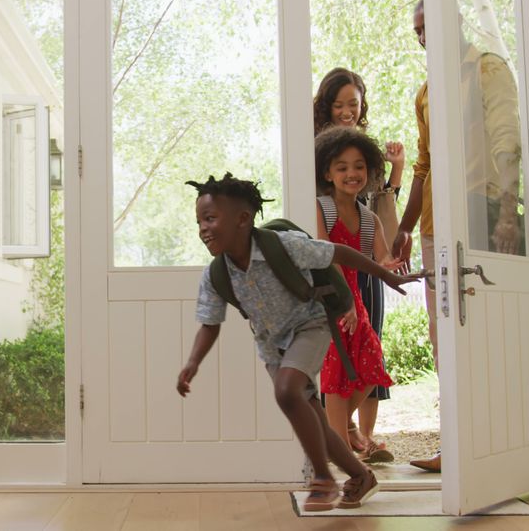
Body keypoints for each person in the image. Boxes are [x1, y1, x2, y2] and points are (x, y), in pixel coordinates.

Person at [177, 173, 417, 510]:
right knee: (314, 419)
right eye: (200, 220)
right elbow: (210, 324)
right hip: (273, 346)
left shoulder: (284, 245)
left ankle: (322, 479)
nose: (203, 228)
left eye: (211, 218)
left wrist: (387, 275)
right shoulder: (217, 274)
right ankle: (361, 476)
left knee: (287, 390)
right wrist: (193, 362)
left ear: (243, 219)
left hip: (311, 325)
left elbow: (341, 253)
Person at [393, 0, 525, 473]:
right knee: (443, 337)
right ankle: (456, 445)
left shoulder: (488, 70)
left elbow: (507, 141)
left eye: (431, 26)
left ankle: (499, 447)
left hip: (482, 216)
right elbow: (424, 165)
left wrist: (507, 213)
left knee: (486, 334)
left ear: (458, 22)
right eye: (418, 31)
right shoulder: (427, 92)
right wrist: (405, 227)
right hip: (435, 228)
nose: (425, 37)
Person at [313, 68, 405, 463]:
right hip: (332, 299)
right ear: (327, 173)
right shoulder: (323, 207)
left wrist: (393, 262)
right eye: (342, 168)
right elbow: (321, 255)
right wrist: (343, 302)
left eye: (359, 168)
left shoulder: (369, 217)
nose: (352, 174)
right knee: (335, 373)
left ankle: (341, 436)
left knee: (371, 364)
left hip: (357, 300)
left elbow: (381, 258)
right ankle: (340, 450)